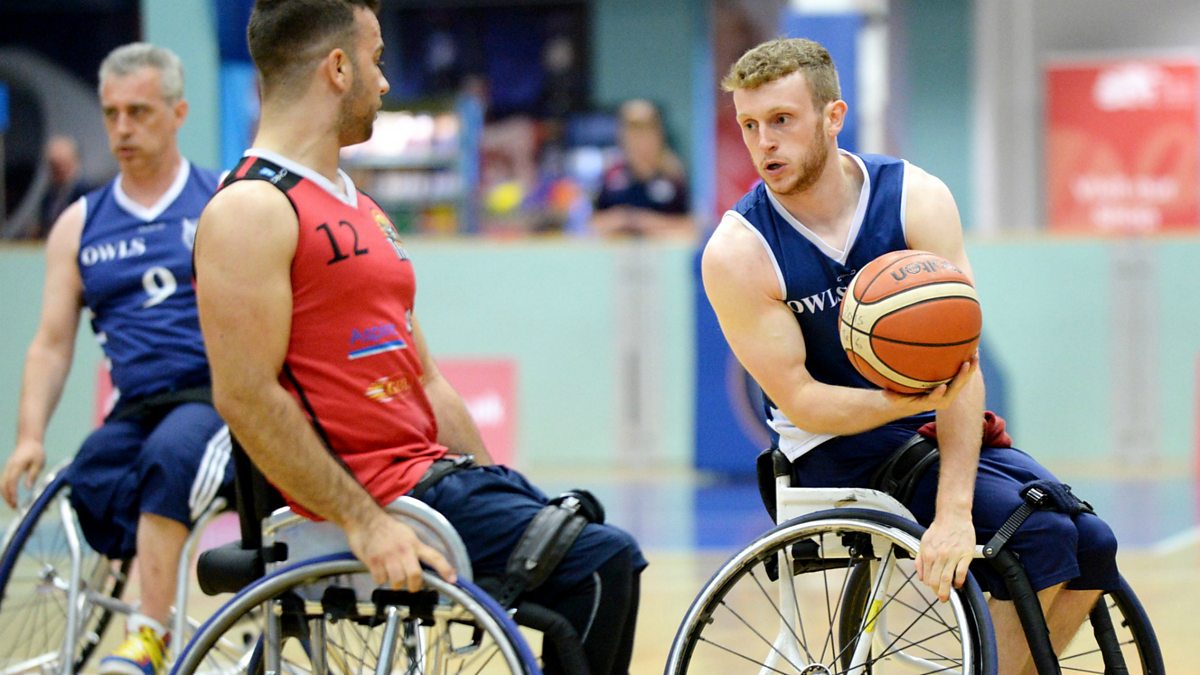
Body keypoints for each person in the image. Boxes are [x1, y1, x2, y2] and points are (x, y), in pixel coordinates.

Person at [192, 2, 644, 674]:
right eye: (375, 60)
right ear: (337, 68)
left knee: (573, 528)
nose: (385, 82)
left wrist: (501, 484)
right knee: (604, 561)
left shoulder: (362, 207)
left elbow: (425, 379)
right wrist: (366, 521)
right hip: (372, 496)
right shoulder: (250, 209)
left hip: (432, 481)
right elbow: (247, 396)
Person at [703, 37, 1118, 674]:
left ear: (833, 116)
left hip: (925, 422)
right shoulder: (739, 251)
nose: (765, 142)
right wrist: (908, 401)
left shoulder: (913, 198)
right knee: (1032, 536)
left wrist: (953, 511)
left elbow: (962, 366)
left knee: (1091, 542)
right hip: (829, 448)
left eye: (782, 120)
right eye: (750, 125)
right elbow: (803, 401)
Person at [0, 43, 232, 675]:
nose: (123, 128)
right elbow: (51, 342)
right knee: (94, 473)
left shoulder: (224, 200)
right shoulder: (79, 225)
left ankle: (148, 634)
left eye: (140, 111)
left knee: (169, 456)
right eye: (111, 114)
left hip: (219, 398)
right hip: (139, 404)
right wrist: (28, 436)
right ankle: (145, 588)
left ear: (179, 112)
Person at [590, 99, 695, 238]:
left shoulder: (673, 175)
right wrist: (621, 219)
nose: (639, 140)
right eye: (633, 132)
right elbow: (592, 224)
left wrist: (644, 222)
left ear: (658, 134)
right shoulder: (612, 174)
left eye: (646, 131)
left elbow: (690, 226)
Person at [36, 135, 94, 239]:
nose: (59, 170)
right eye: (54, 165)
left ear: (75, 162)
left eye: (62, 164)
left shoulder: (88, 194)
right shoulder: (48, 196)